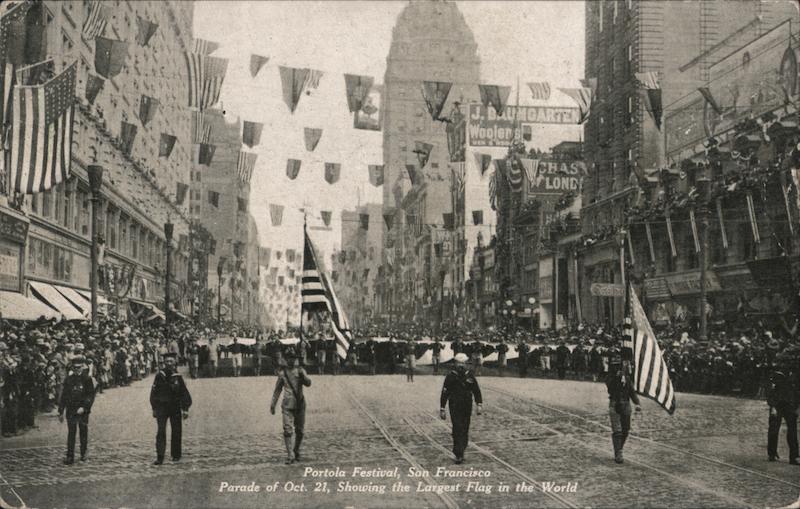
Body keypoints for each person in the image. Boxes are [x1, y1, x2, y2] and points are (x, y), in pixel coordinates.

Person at [270, 347, 312, 464]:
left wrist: (304, 377)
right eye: (289, 358)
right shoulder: (282, 373)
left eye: (293, 358)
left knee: (300, 431)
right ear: (285, 359)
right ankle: (290, 455)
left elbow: (309, 383)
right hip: (287, 405)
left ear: (296, 359)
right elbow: (277, 390)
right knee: (287, 430)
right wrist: (273, 404)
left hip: (300, 404)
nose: (291, 361)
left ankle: (296, 449)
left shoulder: (300, 371)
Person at [439, 353, 483, 464]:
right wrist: (442, 408)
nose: (461, 366)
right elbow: (445, 392)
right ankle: (458, 453)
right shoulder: (451, 376)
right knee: (457, 427)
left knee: (465, 428)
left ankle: (462, 449)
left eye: (463, 363)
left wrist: (479, 404)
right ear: (455, 363)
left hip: (467, 405)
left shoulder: (470, 376)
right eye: (459, 363)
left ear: (466, 364)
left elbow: (476, 391)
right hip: (454, 405)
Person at [150, 353, 192, 465]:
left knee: (177, 430)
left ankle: (176, 455)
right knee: (161, 431)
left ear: (174, 363)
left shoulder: (178, 376)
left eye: (171, 361)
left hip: (175, 407)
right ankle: (160, 456)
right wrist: (154, 407)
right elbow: (154, 392)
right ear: (164, 363)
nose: (169, 364)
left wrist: (185, 408)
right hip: (162, 408)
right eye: (167, 361)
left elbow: (184, 393)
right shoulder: (160, 376)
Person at [606, 349, 641, 464]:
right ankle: (618, 453)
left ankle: (619, 448)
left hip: (626, 404)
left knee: (626, 430)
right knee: (618, 430)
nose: (626, 364)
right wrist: (617, 378)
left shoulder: (627, 376)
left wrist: (637, 403)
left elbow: (631, 390)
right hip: (615, 403)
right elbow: (610, 388)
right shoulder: (612, 375)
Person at [58, 356, 95, 465]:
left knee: (83, 431)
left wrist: (84, 407)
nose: (77, 370)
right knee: (71, 433)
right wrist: (61, 411)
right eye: (75, 368)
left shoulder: (87, 379)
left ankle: (83, 453)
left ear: (82, 367)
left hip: (82, 410)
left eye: (79, 368)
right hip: (71, 409)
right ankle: (70, 456)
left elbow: (90, 395)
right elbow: (64, 396)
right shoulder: (69, 380)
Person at [766, 351, 799, 465]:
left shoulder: (795, 374)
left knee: (793, 431)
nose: (788, 363)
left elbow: (797, 392)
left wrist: (797, 406)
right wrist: (772, 406)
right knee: (774, 429)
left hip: (790, 404)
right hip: (777, 404)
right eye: (785, 361)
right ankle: (772, 453)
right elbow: (770, 391)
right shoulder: (775, 374)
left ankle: (794, 456)